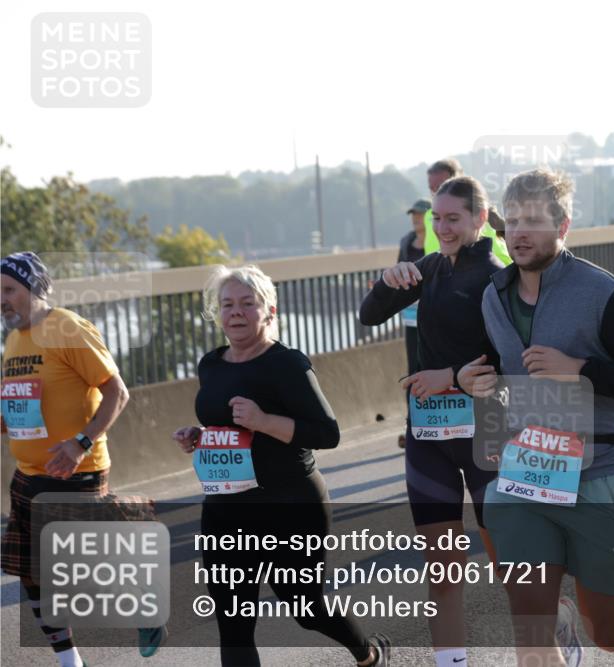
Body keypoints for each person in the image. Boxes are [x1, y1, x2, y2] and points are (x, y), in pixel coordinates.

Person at [458, 168, 614, 667]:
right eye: (513, 221)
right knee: (532, 634)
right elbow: (492, 370)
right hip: (526, 474)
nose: (519, 232)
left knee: (612, 629)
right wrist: (468, 381)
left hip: (601, 471)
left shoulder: (600, 291)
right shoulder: (493, 296)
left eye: (533, 221)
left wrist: (579, 369)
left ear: (563, 226)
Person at [172, 265, 390, 667]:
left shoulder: (288, 364)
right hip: (226, 507)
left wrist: (264, 421)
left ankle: (368, 653)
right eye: (227, 305)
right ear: (217, 313)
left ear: (269, 310)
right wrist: (200, 436)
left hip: (289, 504)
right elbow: (226, 425)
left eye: (247, 303)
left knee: (307, 608)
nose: (236, 312)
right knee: (233, 622)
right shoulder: (211, 364)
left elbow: (326, 433)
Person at [359, 176, 504, 667]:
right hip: (430, 435)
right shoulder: (430, 267)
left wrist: (452, 376)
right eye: (436, 218)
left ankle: (556, 617)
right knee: (442, 567)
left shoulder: (497, 276)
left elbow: (513, 359)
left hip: (487, 431)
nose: (442, 228)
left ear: (479, 218)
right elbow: (368, 315)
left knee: (510, 565)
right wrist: (389, 279)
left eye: (453, 218)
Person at [1, 252, 165, 666]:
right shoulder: (14, 340)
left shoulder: (67, 328)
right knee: (33, 573)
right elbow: (22, 409)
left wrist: (80, 443)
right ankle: (70, 661)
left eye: (9, 290)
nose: (1, 300)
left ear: (35, 289)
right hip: (27, 475)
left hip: (75, 471)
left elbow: (117, 392)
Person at [423, 158, 513, 265]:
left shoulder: (478, 217)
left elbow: (501, 261)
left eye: (442, 186)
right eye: (431, 188)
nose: (436, 192)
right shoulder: (428, 215)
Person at [396, 199, 430, 448]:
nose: (416, 219)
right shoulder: (406, 242)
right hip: (411, 317)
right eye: (413, 215)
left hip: (434, 316)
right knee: (413, 370)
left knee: (432, 366)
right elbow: (399, 270)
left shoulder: (438, 241)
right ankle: (412, 426)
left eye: (420, 214)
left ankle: (433, 423)